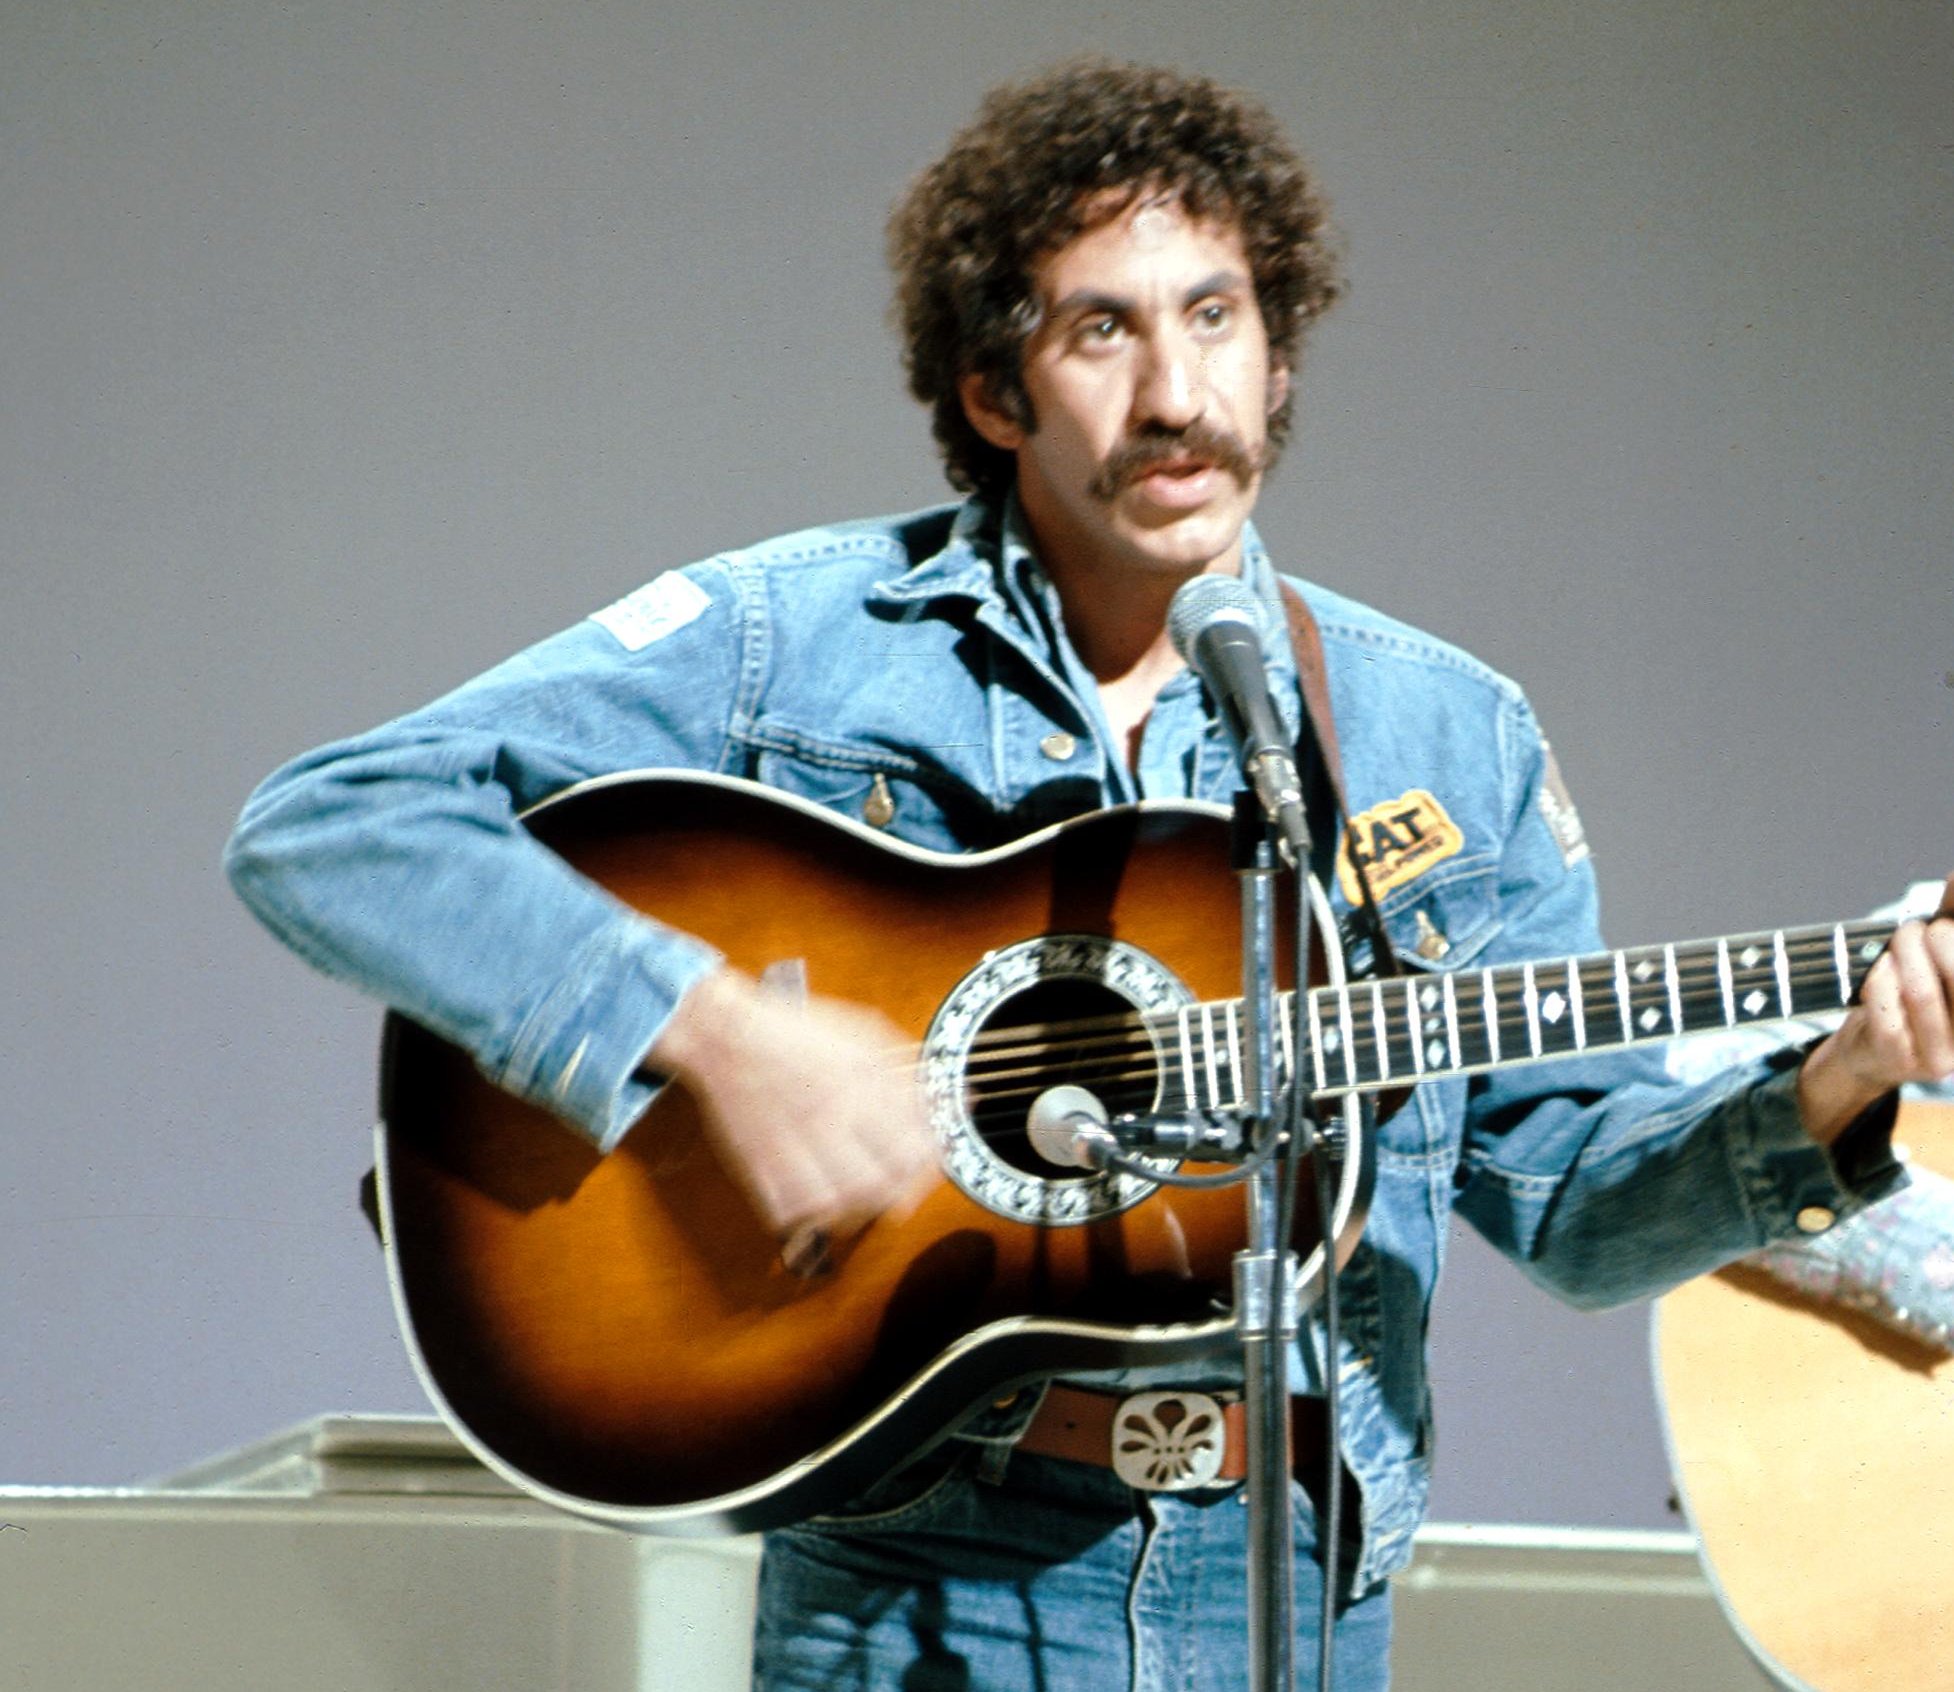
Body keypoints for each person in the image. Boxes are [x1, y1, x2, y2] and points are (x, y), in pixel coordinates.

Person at [224, 59, 1954, 1692]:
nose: (1174, 392)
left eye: (1216, 317)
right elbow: (330, 821)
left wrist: (1851, 1069)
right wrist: (708, 1030)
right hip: (913, 1584)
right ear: (991, 389)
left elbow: (1573, 1207)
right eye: (1100, 331)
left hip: (1286, 1584)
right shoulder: (794, 640)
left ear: (1277, 355)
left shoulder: (1440, 731)